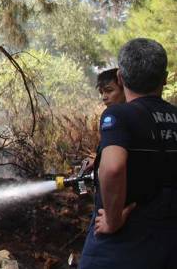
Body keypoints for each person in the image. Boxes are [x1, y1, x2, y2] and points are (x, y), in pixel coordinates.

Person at [80, 38, 177, 268]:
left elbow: (113, 168)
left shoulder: (119, 116)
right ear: (164, 78)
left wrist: (113, 220)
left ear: (121, 78)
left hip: (124, 243)